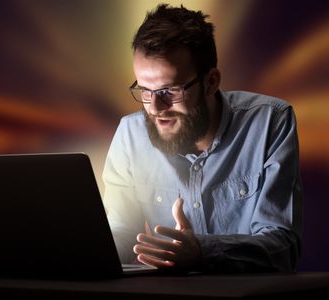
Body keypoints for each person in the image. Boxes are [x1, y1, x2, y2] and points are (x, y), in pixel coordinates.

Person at [102, 4, 303, 273]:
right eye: (145, 90)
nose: (155, 108)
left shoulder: (270, 122)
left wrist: (202, 251)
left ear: (211, 82)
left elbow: (282, 247)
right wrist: (88, 253)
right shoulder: (130, 135)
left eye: (169, 90)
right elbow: (121, 232)